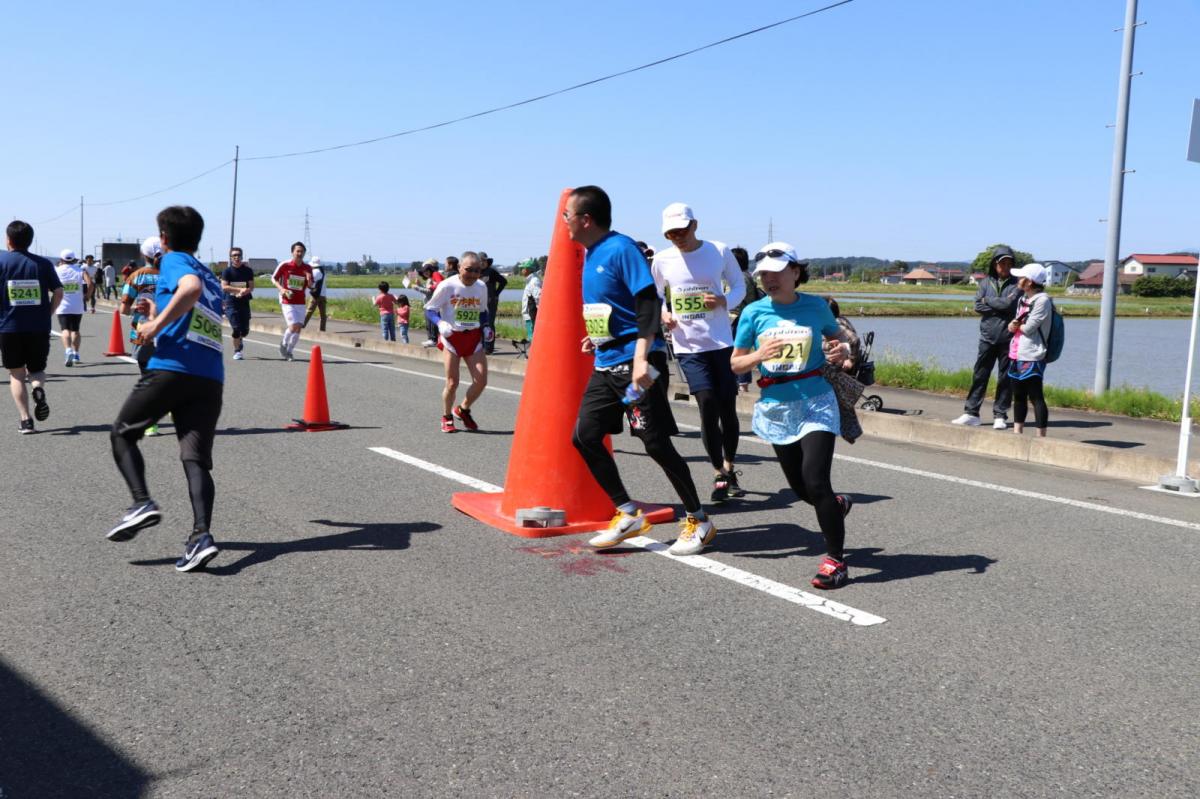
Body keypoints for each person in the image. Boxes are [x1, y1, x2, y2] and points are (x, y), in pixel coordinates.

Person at [564, 185, 715, 556]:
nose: (563, 221)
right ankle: (628, 513)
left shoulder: (621, 248)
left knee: (654, 442)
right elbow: (615, 309)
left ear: (585, 219)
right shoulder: (593, 253)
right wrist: (598, 337)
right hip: (607, 363)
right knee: (584, 436)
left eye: (567, 214)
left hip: (637, 367)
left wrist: (642, 359)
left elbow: (648, 302)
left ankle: (699, 519)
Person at [107, 205, 226, 573]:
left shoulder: (175, 260)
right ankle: (201, 537)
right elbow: (195, 303)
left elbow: (187, 290)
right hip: (210, 377)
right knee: (195, 459)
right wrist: (155, 305)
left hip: (173, 369)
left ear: (163, 238)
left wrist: (155, 324)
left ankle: (142, 502)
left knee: (123, 434)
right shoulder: (210, 274)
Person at [730, 242, 855, 590]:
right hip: (777, 407)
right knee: (802, 490)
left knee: (816, 481)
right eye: (764, 274)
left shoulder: (816, 307)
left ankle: (835, 560)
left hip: (816, 399)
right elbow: (735, 362)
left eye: (777, 271)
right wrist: (758, 355)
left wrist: (840, 350)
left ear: (796, 271)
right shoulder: (754, 313)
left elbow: (840, 340)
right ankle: (835, 504)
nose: (770, 278)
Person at [653, 202, 747, 503]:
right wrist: (663, 313)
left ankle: (730, 466)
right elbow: (653, 295)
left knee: (727, 409)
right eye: (671, 234)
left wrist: (723, 301)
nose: (677, 237)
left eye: (681, 230)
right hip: (687, 345)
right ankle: (719, 470)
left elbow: (739, 286)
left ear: (694, 225)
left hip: (720, 342)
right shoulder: (662, 259)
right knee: (706, 404)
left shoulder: (718, 251)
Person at [0, 220, 62, 433]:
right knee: (37, 370)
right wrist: (49, 313)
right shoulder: (43, 264)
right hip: (38, 327)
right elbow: (59, 291)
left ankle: (26, 420)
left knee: (16, 374)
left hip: (8, 327)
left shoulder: (1, 261)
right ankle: (38, 388)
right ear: (30, 241)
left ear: (8, 240)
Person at [953, 246, 1020, 429]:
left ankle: (1000, 415)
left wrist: (988, 301)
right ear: (995, 264)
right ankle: (971, 413)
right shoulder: (985, 283)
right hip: (987, 336)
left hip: (1008, 338)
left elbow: (1010, 304)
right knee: (980, 375)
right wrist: (999, 306)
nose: (1005, 266)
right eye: (1002, 263)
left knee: (1005, 378)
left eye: (1008, 263)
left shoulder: (1017, 284)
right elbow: (977, 306)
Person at [424, 251, 491, 433]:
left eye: (477, 270)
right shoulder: (447, 286)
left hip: (473, 338)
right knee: (452, 383)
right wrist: (440, 322)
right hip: (452, 338)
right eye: (469, 269)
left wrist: (486, 326)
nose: (472, 274)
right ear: (460, 267)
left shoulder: (481, 287)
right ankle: (446, 417)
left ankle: (462, 409)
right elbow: (430, 309)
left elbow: (483, 310)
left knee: (481, 381)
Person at [121, 237, 164, 435]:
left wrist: (137, 311)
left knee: (147, 377)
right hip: (169, 329)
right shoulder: (171, 276)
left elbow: (124, 308)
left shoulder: (136, 277)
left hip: (143, 331)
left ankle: (151, 422)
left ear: (143, 255)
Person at [1006, 263, 1052, 437]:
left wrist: (1017, 325)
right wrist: (1015, 325)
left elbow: (1028, 328)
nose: (1018, 280)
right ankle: (1017, 432)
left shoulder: (1043, 300)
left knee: (1036, 397)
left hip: (1033, 354)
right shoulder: (1022, 299)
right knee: (1018, 396)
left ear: (1030, 281)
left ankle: (1041, 437)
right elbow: (1014, 326)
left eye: (1021, 277)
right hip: (1016, 352)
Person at [728, 246, 763, 393]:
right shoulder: (746, 275)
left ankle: (742, 385)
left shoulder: (740, 278)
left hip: (738, 319)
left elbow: (738, 301)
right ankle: (741, 384)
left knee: (740, 352)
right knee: (741, 352)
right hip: (741, 318)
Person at [271, 241, 312, 361]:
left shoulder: (307, 267)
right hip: (287, 300)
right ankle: (283, 344)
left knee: (299, 328)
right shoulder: (285, 265)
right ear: (292, 252)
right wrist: (282, 289)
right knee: (293, 326)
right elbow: (273, 278)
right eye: (297, 251)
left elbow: (311, 286)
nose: (299, 253)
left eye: (302, 251)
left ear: (304, 253)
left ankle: (289, 351)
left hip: (300, 301)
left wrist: (309, 281)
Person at [54, 249, 91, 366]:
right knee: (75, 330)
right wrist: (87, 296)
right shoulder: (80, 270)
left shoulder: (56, 270)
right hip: (77, 305)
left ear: (61, 259)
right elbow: (90, 283)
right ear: (74, 259)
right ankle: (76, 354)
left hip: (62, 305)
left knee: (65, 330)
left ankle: (68, 350)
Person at [220, 246, 254, 360]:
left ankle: (240, 339)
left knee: (244, 331)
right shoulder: (227, 271)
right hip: (230, 303)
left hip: (244, 302)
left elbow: (251, 287)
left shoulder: (248, 271)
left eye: (238, 255)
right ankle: (237, 351)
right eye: (234, 255)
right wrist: (239, 290)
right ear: (230, 257)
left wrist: (245, 291)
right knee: (236, 329)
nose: (236, 257)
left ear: (242, 256)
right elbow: (224, 287)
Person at [477, 251, 507, 355]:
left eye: (484, 260)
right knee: (479, 324)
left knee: (489, 324)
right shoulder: (476, 272)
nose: (482, 262)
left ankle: (489, 348)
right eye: (480, 260)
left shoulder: (491, 272)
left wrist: (496, 294)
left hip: (490, 303)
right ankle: (481, 345)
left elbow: (503, 281)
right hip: (478, 302)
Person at [417, 258, 443, 347]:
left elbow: (431, 290)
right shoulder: (431, 277)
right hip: (431, 303)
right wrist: (420, 285)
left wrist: (417, 288)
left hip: (432, 303)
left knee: (432, 322)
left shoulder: (435, 275)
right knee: (430, 323)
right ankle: (433, 339)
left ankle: (433, 339)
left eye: (426, 269)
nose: (425, 272)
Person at [303, 255, 328, 331]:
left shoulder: (314, 272)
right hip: (323, 295)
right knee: (323, 315)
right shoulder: (323, 272)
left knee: (309, 312)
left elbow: (310, 283)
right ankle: (322, 329)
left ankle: (302, 326)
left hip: (315, 295)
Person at [519, 259, 542, 341]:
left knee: (534, 338)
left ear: (527, 269)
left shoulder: (534, 281)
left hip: (532, 315)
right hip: (529, 315)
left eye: (522, 268)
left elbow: (539, 298)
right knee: (531, 337)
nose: (521, 270)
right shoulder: (530, 280)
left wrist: (539, 316)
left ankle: (536, 353)